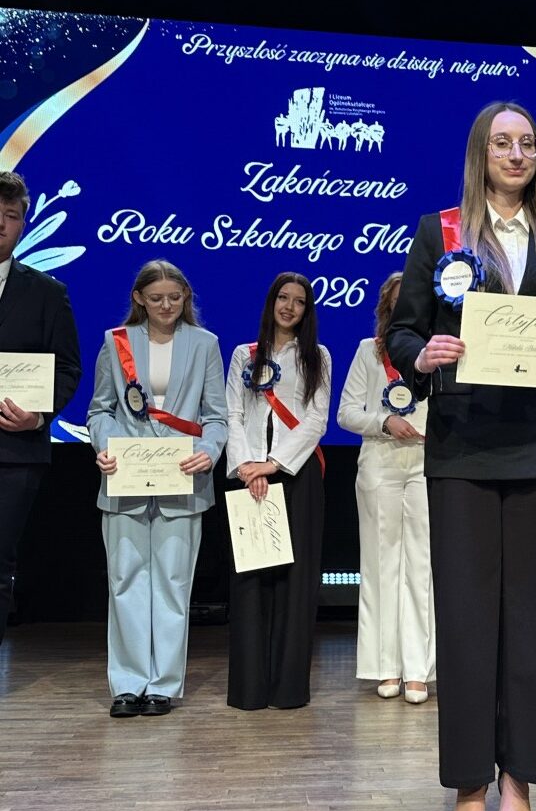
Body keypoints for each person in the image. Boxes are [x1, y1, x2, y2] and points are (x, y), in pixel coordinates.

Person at [386, 101, 536, 811]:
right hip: (461, 447)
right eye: (502, 143)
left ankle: (519, 780)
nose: (516, 155)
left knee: (533, 621)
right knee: (465, 619)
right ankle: (468, 781)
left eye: (528, 144)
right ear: (480, 154)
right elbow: (403, 331)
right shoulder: (440, 231)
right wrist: (421, 355)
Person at [88, 260, 227, 717]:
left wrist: (209, 451)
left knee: (172, 583)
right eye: (156, 299)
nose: (166, 306)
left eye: (174, 297)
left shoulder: (205, 344)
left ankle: (163, 685)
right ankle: (128, 684)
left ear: (186, 297)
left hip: (182, 479)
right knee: (125, 581)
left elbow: (216, 416)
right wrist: (106, 448)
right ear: (139, 300)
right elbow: (100, 410)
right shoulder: (116, 341)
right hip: (125, 478)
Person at [224, 273, 331, 710]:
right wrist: (248, 467)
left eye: (299, 301)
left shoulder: (317, 356)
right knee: (252, 582)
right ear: (271, 303)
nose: (289, 307)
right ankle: (250, 690)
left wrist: (274, 463)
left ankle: (288, 689)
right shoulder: (243, 354)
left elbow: (317, 418)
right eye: (283, 298)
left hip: (296, 475)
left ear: (307, 311)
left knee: (295, 584)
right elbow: (232, 414)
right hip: (250, 476)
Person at [338, 272, 435, 703]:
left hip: (428, 462)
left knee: (422, 566)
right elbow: (346, 413)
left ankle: (418, 670)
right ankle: (385, 667)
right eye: (398, 302)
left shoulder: (439, 350)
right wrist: (384, 422)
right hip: (380, 461)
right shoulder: (369, 351)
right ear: (387, 308)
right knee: (380, 565)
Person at [0, 170, 82, 647]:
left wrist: (39, 415)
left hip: (15, 451)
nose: (1, 224)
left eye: (11, 216)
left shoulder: (48, 292)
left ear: (22, 225)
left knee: (0, 562)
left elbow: (67, 368)